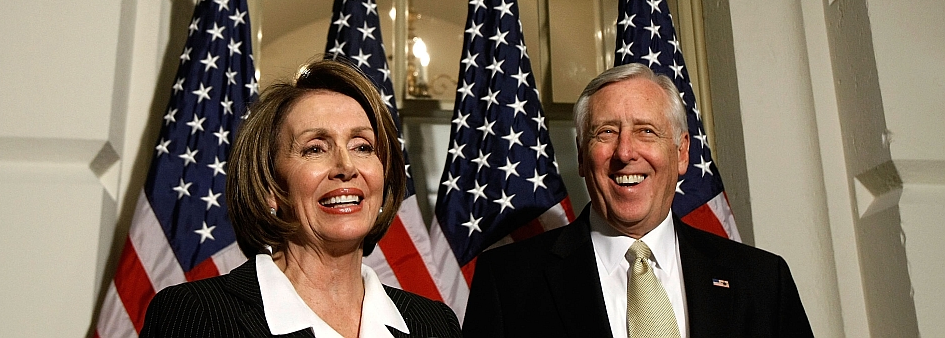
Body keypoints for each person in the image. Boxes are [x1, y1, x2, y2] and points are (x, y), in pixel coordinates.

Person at [462, 63, 813, 338]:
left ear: (682, 153)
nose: (625, 152)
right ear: (582, 158)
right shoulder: (508, 283)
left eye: (646, 130)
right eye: (607, 132)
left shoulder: (763, 281)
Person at [141, 58, 461, 338]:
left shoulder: (434, 325)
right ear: (269, 186)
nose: (346, 167)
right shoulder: (196, 316)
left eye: (362, 146)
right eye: (315, 148)